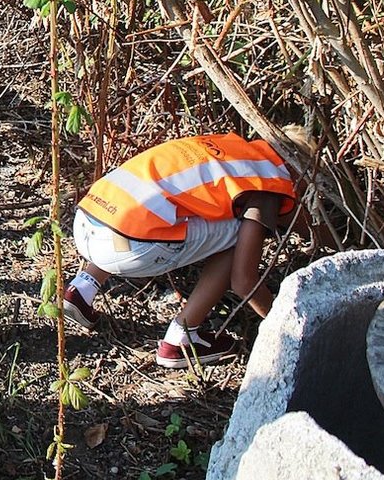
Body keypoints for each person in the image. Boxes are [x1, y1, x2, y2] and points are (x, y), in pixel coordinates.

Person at [61, 132, 304, 369]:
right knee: (240, 232)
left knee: (150, 207)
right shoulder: (269, 180)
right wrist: (289, 328)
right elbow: (243, 281)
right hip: (130, 247)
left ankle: (82, 289)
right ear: (296, 168)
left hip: (86, 222)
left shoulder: (228, 146)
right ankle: (181, 340)